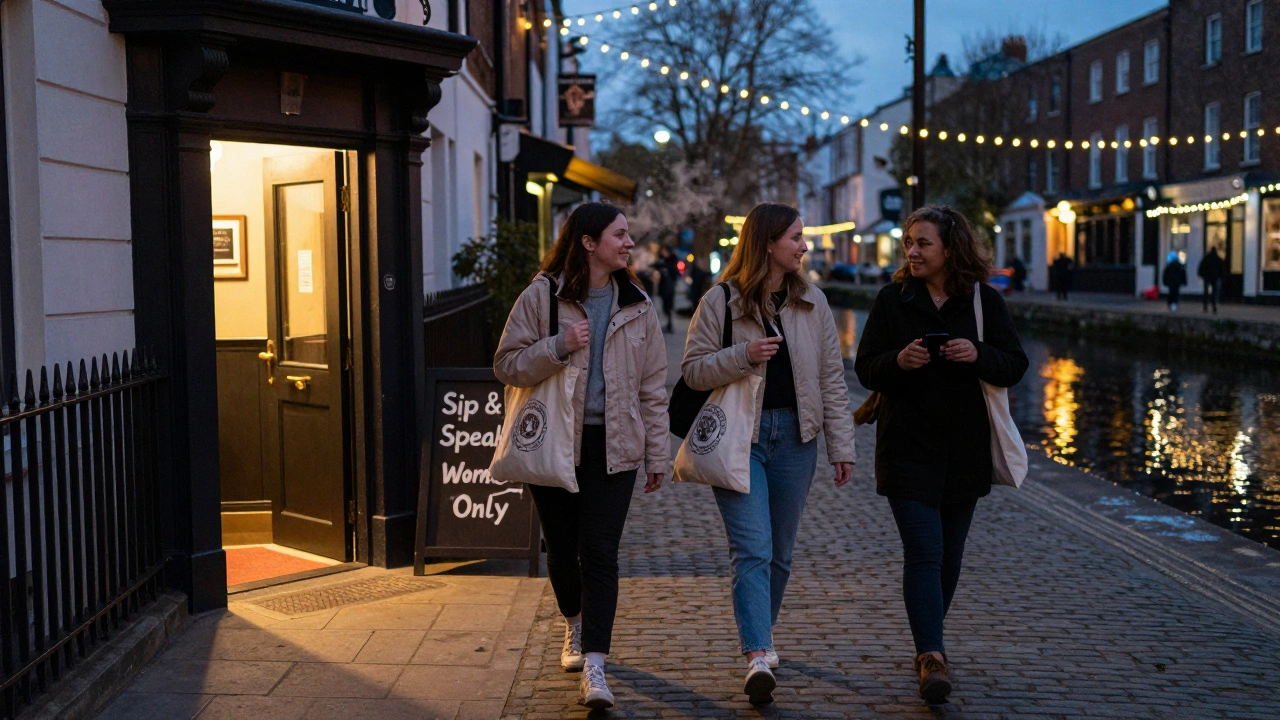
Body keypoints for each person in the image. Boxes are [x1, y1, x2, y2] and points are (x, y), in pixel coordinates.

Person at [493, 202, 671, 710]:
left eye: (629, 234)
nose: (629, 242)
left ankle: (596, 661)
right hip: (555, 442)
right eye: (620, 234)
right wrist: (558, 345)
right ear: (589, 242)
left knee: (600, 553)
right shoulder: (542, 296)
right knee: (563, 549)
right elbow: (506, 364)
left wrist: (656, 454)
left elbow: (653, 386)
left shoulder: (638, 303)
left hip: (614, 448)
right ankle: (573, 620)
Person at [681, 203, 856, 705]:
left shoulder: (813, 302)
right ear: (767, 243)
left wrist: (841, 446)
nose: (805, 246)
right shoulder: (720, 300)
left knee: (780, 554)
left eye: (803, 238)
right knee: (752, 549)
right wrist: (743, 356)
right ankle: (758, 654)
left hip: (797, 440)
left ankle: (764, 631)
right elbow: (693, 371)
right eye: (797, 238)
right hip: (741, 439)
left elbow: (831, 381)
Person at [853, 205, 1028, 706]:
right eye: (909, 242)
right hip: (906, 448)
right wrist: (899, 361)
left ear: (950, 248)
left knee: (949, 558)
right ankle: (931, 655)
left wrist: (978, 354)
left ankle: (930, 641)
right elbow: (866, 368)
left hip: (964, 450)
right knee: (925, 552)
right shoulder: (892, 300)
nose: (912, 251)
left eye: (923, 243)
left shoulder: (983, 302)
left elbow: (1015, 363)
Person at [657, 243, 680, 333]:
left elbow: (675, 272)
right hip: (663, 287)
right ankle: (668, 324)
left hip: (669, 287)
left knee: (669, 305)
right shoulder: (661, 259)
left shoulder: (672, 260)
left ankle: (670, 324)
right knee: (665, 306)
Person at [1198, 246, 1224, 314]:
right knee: (1214, 292)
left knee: (1206, 292)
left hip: (1207, 277)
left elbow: (1201, 267)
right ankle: (1214, 306)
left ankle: (1205, 306)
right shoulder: (1218, 259)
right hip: (1214, 278)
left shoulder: (1206, 258)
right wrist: (1220, 276)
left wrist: (1201, 275)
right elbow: (1221, 269)